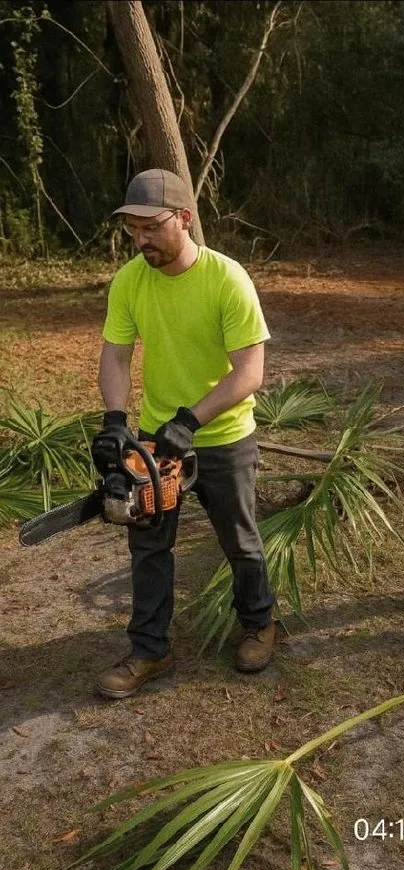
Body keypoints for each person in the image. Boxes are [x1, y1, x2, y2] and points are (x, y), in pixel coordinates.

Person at [92, 168, 275, 698]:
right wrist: (114, 420)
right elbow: (116, 354)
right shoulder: (130, 280)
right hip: (156, 439)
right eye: (133, 229)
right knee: (148, 545)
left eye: (151, 227)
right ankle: (150, 649)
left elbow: (249, 372)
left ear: (185, 219)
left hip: (222, 436)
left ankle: (259, 623)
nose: (141, 240)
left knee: (239, 539)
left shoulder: (226, 279)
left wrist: (192, 420)